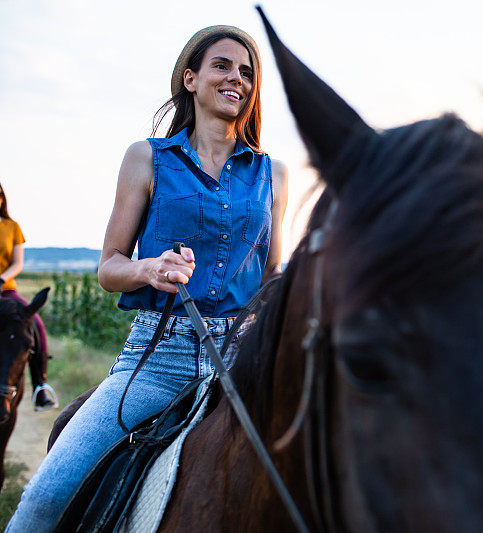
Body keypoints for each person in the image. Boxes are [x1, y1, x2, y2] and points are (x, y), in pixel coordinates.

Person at [6, 25, 287, 531]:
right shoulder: (146, 158)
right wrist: (148, 268)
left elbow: (273, 280)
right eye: (222, 66)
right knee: (48, 495)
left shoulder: (273, 175)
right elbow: (109, 267)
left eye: (248, 72)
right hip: (159, 362)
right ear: (190, 79)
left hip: (245, 365)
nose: (237, 79)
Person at [0, 182, 59, 412]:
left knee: (35, 323)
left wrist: (2, 278)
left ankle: (40, 387)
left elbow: (17, 263)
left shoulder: (12, 226)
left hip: (6, 288)